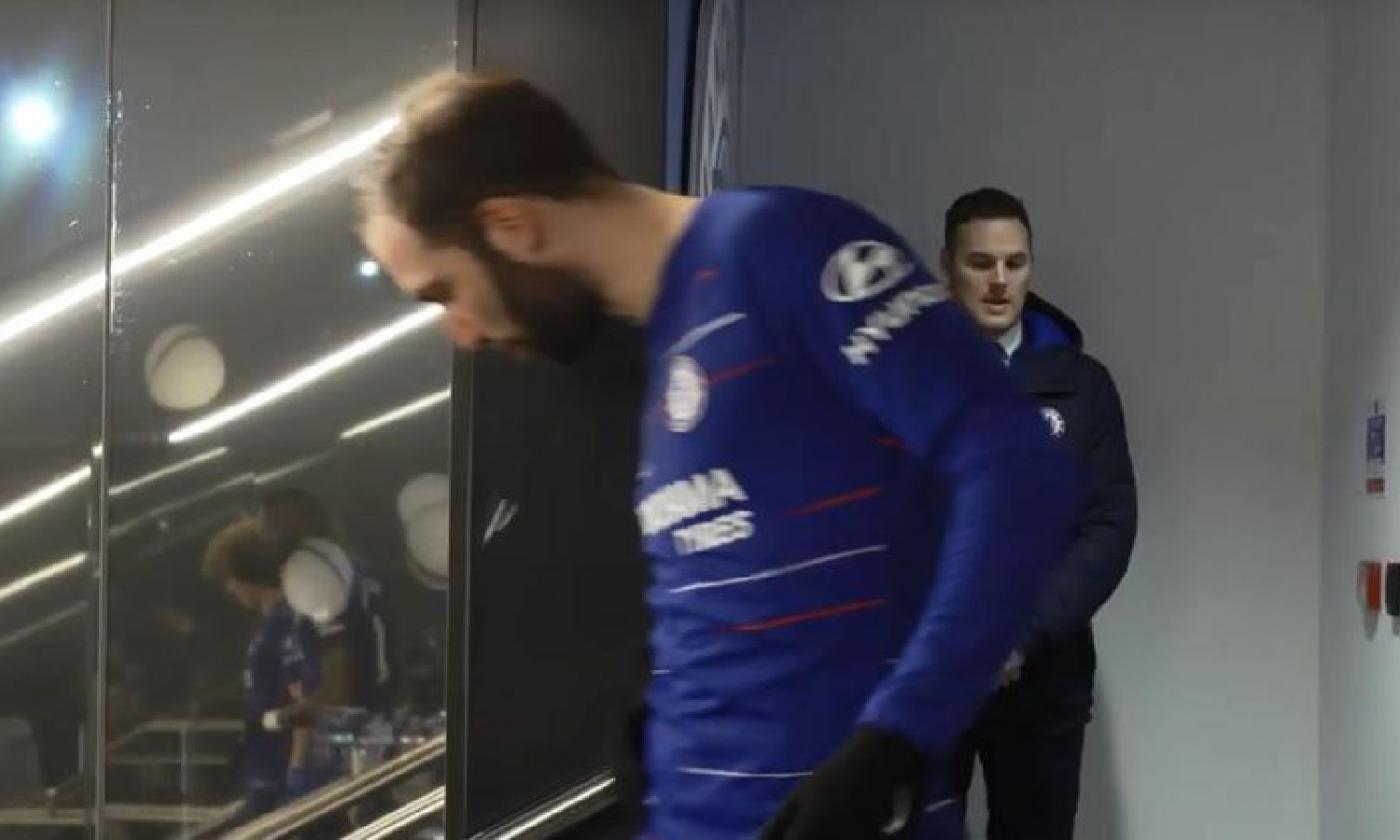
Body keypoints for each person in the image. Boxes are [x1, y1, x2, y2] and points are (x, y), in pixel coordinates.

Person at [356, 71, 1080, 840]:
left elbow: (1013, 463)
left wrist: (898, 737)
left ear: (512, 226)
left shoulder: (780, 245)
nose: (460, 332)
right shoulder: (666, 335)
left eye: (443, 293)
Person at [940, 188, 1137, 840]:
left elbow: (1108, 526)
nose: (999, 282)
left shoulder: (1082, 387)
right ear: (948, 266)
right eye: (981, 263)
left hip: (1043, 677)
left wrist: (1021, 631)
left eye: (1015, 264)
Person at [204, 518, 323, 820]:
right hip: (264, 775)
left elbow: (305, 704)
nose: (230, 588)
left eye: (230, 578)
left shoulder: (287, 627)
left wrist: (297, 774)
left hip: (278, 779)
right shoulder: (274, 626)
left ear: (248, 574)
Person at [259, 488, 395, 716]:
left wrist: (287, 717)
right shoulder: (354, 568)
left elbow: (336, 684)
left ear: (305, 524)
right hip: (384, 703)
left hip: (356, 717)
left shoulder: (317, 579)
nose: (268, 541)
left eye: (275, 530)